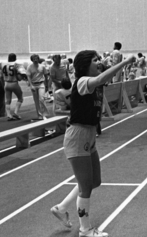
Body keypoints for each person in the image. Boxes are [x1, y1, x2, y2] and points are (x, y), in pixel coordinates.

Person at [50, 50, 136, 237]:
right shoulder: (82, 82)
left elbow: (106, 76)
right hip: (78, 136)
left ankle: (61, 207)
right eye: (94, 60)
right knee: (86, 185)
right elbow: (99, 79)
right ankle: (85, 229)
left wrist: (120, 64)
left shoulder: (96, 81)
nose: (98, 62)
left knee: (94, 181)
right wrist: (124, 62)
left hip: (89, 135)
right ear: (84, 65)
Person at [27, 54, 50, 120]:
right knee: (36, 101)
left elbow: (46, 76)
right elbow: (28, 77)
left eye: (36, 58)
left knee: (41, 99)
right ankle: (39, 115)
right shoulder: (30, 67)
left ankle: (44, 114)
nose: (35, 59)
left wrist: (47, 85)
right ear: (32, 59)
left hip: (41, 84)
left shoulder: (42, 66)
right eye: (34, 58)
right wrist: (31, 85)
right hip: (34, 84)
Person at [2, 53, 24, 121]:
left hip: (6, 83)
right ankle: (15, 113)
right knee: (20, 98)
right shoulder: (16, 64)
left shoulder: (3, 64)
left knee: (7, 101)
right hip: (14, 83)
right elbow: (22, 72)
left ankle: (8, 115)